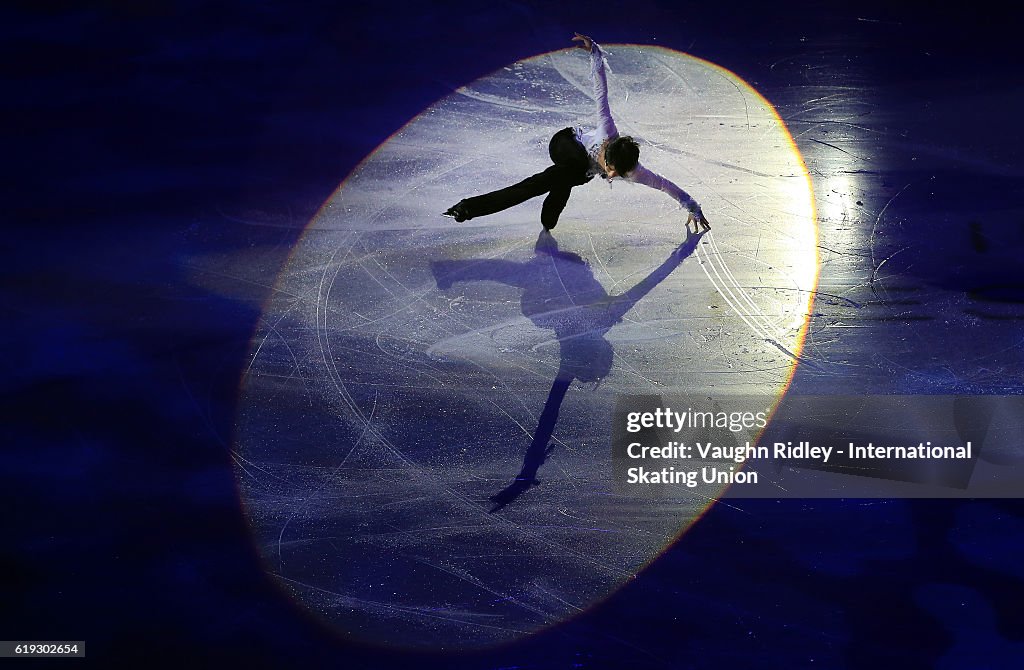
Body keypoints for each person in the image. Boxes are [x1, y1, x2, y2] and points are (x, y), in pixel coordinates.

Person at [444, 33, 712, 233]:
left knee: (560, 197)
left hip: (578, 171)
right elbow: (601, 92)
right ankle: (469, 208)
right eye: (611, 169)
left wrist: (693, 207)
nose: (612, 176)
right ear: (607, 152)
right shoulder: (607, 130)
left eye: (618, 174)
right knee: (549, 179)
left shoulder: (634, 171)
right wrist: (594, 51)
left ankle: (549, 213)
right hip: (564, 143)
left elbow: (666, 185)